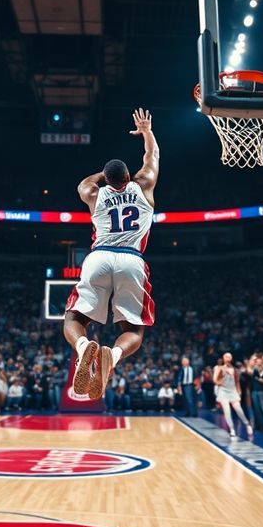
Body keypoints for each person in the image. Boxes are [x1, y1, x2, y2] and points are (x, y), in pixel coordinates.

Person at [63, 108, 159, 401]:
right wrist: (146, 131)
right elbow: (152, 156)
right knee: (134, 330)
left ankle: (83, 349)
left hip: (99, 257)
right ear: (129, 176)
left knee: (73, 318)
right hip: (132, 259)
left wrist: (103, 176)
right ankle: (113, 355)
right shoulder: (143, 185)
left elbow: (84, 183)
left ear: (106, 178)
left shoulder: (93, 193)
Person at [214, 353, 253, 439]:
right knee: (227, 411)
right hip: (223, 391)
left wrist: (239, 391)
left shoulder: (234, 369)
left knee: (239, 410)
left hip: (233, 391)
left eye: (229, 357)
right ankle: (232, 429)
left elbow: (237, 381)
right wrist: (221, 376)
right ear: (223, 358)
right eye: (226, 357)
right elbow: (215, 381)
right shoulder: (218, 368)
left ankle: (247, 424)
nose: (228, 358)